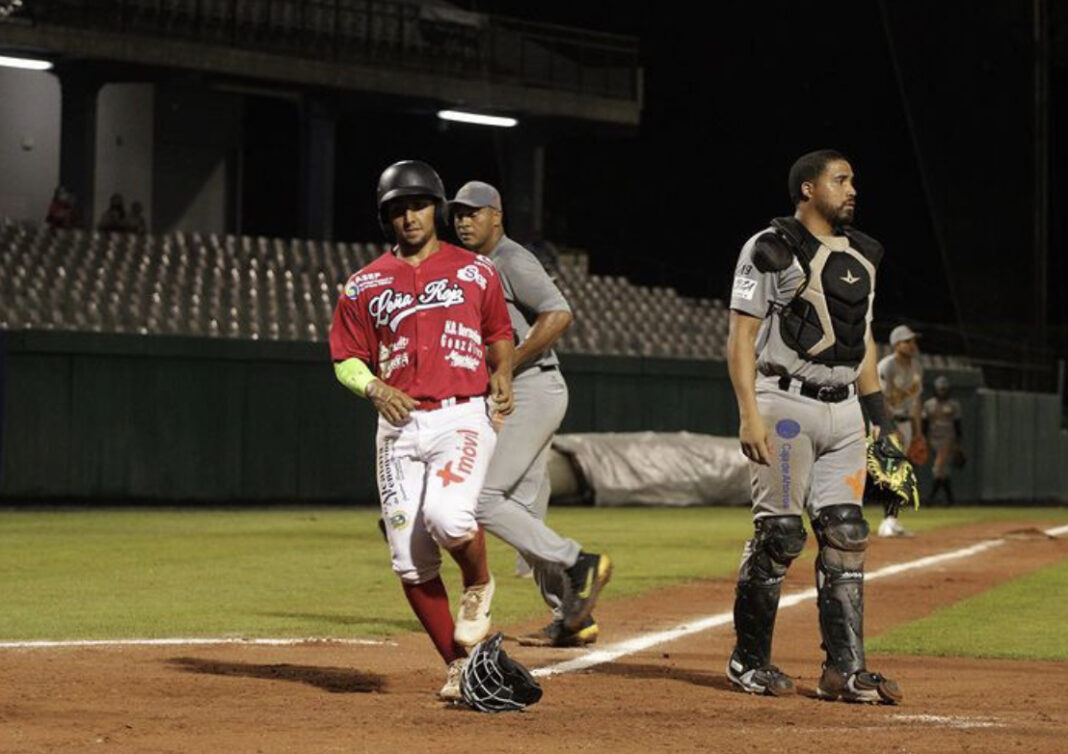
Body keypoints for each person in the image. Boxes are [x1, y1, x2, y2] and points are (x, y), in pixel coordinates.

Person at [329, 160, 515, 702]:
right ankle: (459, 667)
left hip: (461, 414)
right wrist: (373, 388)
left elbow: (498, 332)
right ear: (385, 218)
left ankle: (477, 582)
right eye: (397, 210)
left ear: (437, 209)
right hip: (398, 426)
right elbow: (344, 359)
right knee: (409, 561)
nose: (408, 217)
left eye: (418, 205)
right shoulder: (364, 284)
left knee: (448, 517)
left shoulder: (476, 271)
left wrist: (503, 371)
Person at [725, 149, 902, 704]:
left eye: (853, 180)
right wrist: (748, 413)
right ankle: (749, 661)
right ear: (808, 188)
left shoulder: (864, 254)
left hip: (845, 412)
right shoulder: (769, 247)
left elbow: (862, 339)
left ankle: (844, 672)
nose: (852, 189)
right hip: (784, 409)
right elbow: (740, 337)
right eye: (840, 180)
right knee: (779, 535)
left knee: (847, 534)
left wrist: (881, 419)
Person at [449, 180, 612, 648]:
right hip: (516, 390)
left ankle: (579, 561)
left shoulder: (511, 259)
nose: (463, 221)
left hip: (533, 387)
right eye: (458, 213)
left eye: (473, 212)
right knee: (520, 514)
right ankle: (572, 617)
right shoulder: (471, 266)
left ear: (496, 216)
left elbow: (558, 313)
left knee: (483, 499)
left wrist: (509, 363)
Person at [875, 325, 924, 536]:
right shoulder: (886, 366)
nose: (912, 345)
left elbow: (916, 401)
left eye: (913, 341)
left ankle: (891, 520)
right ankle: (887, 521)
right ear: (896, 344)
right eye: (908, 341)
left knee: (899, 472)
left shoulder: (916, 367)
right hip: (884, 423)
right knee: (890, 470)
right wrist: (891, 428)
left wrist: (918, 432)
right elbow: (879, 400)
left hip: (906, 424)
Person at [923, 376, 963, 505]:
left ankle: (930, 499)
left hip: (947, 439)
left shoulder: (953, 405)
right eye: (940, 389)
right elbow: (925, 424)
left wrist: (958, 444)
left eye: (944, 389)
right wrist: (923, 440)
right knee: (943, 471)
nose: (942, 392)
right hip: (933, 439)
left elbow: (957, 425)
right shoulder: (929, 405)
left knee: (938, 468)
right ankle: (950, 499)